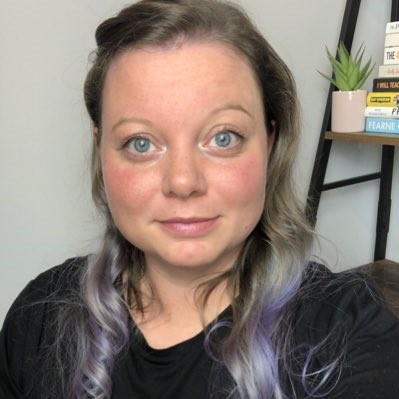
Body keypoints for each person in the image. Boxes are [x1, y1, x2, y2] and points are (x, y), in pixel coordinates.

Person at [1, 1, 399, 398]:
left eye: (223, 137)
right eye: (140, 143)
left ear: (270, 140)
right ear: (100, 148)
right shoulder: (39, 317)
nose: (183, 181)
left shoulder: (350, 333)